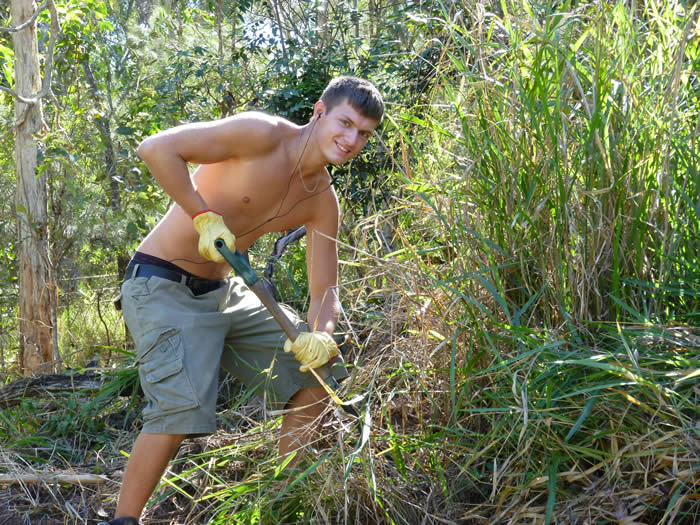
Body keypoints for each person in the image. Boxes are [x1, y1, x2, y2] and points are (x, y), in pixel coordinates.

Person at [99, 76, 384, 524]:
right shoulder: (261, 135)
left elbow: (324, 289)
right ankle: (123, 520)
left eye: (363, 133)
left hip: (224, 293)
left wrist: (322, 336)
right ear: (319, 112)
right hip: (161, 284)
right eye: (345, 123)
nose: (351, 140)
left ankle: (279, 505)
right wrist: (203, 216)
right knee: (181, 409)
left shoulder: (321, 200)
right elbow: (156, 148)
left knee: (318, 377)